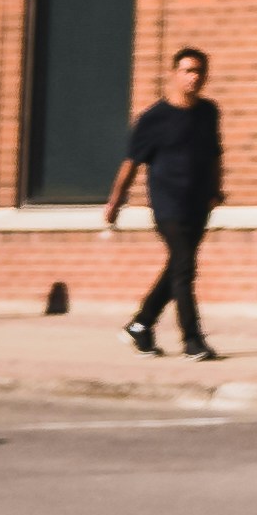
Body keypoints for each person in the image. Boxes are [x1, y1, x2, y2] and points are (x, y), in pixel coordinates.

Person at [100, 45, 221, 359]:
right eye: (187, 71)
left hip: (198, 205)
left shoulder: (208, 113)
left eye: (198, 71)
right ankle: (192, 340)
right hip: (168, 206)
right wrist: (115, 201)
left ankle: (140, 325)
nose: (193, 78)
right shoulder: (154, 118)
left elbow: (214, 155)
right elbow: (131, 163)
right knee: (184, 270)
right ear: (175, 74)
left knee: (178, 268)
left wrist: (216, 189)